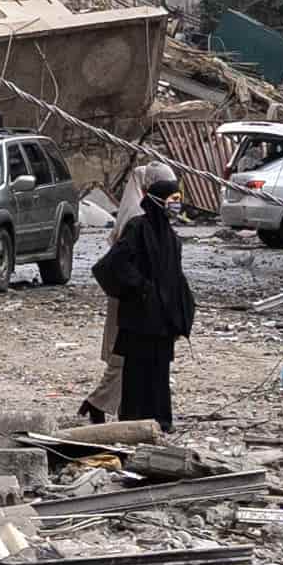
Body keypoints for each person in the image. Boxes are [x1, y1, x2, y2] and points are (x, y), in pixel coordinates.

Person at [91, 165, 196, 424]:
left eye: (178, 201)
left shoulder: (171, 238)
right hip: (140, 318)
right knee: (135, 372)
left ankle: (159, 422)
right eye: (172, 201)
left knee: (158, 373)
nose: (176, 207)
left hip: (162, 320)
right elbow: (112, 265)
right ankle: (131, 420)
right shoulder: (138, 226)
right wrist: (141, 289)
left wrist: (182, 308)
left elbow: (174, 277)